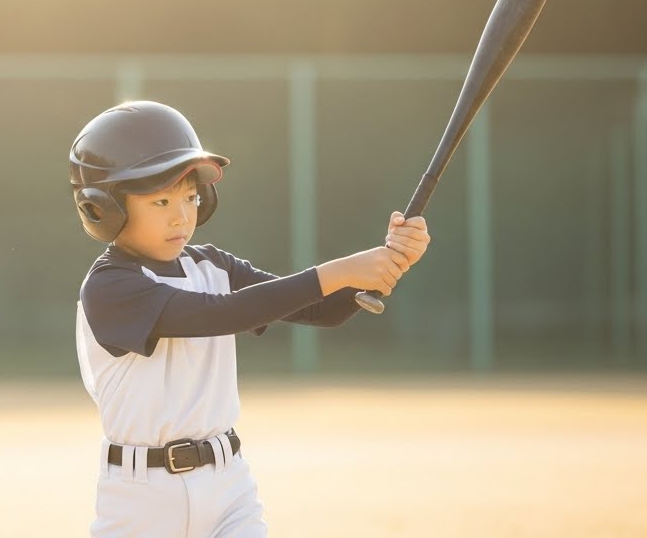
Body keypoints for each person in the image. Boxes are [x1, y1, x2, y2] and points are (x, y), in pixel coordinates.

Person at [70, 100, 430, 537]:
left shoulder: (211, 266)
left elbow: (322, 309)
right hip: (142, 500)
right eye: (161, 200)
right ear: (103, 209)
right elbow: (219, 315)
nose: (182, 215)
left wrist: (388, 264)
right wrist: (341, 270)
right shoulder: (110, 287)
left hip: (228, 486)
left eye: (190, 197)